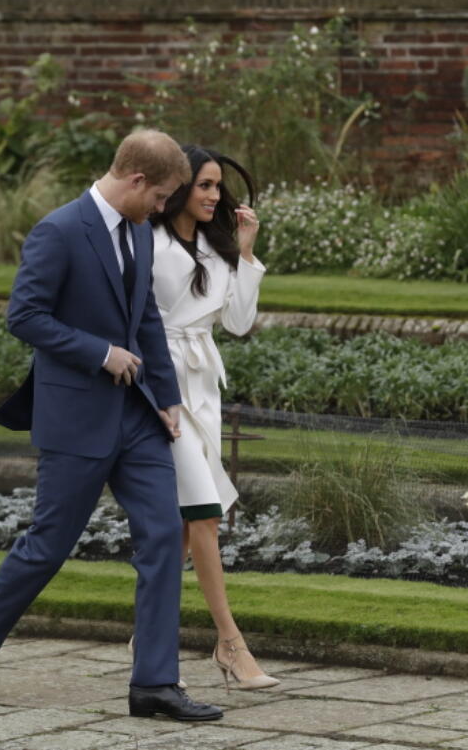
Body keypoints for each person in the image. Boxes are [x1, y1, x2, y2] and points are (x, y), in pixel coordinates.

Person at [0, 129, 223, 722]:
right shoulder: (59, 230)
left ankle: (154, 684)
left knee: (161, 538)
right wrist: (101, 353)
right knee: (50, 545)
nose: (162, 210)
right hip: (75, 416)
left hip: (139, 416)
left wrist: (167, 397)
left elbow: (144, 314)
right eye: (161, 197)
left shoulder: (142, 232)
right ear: (137, 180)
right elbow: (25, 316)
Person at [149, 145, 278, 691]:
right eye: (204, 185)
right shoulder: (146, 240)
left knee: (185, 523)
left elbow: (240, 322)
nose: (214, 195)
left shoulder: (217, 246)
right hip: (162, 386)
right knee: (204, 512)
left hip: (203, 388)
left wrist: (245, 254)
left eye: (218, 187)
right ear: (179, 187)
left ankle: (146, 628)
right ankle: (230, 644)